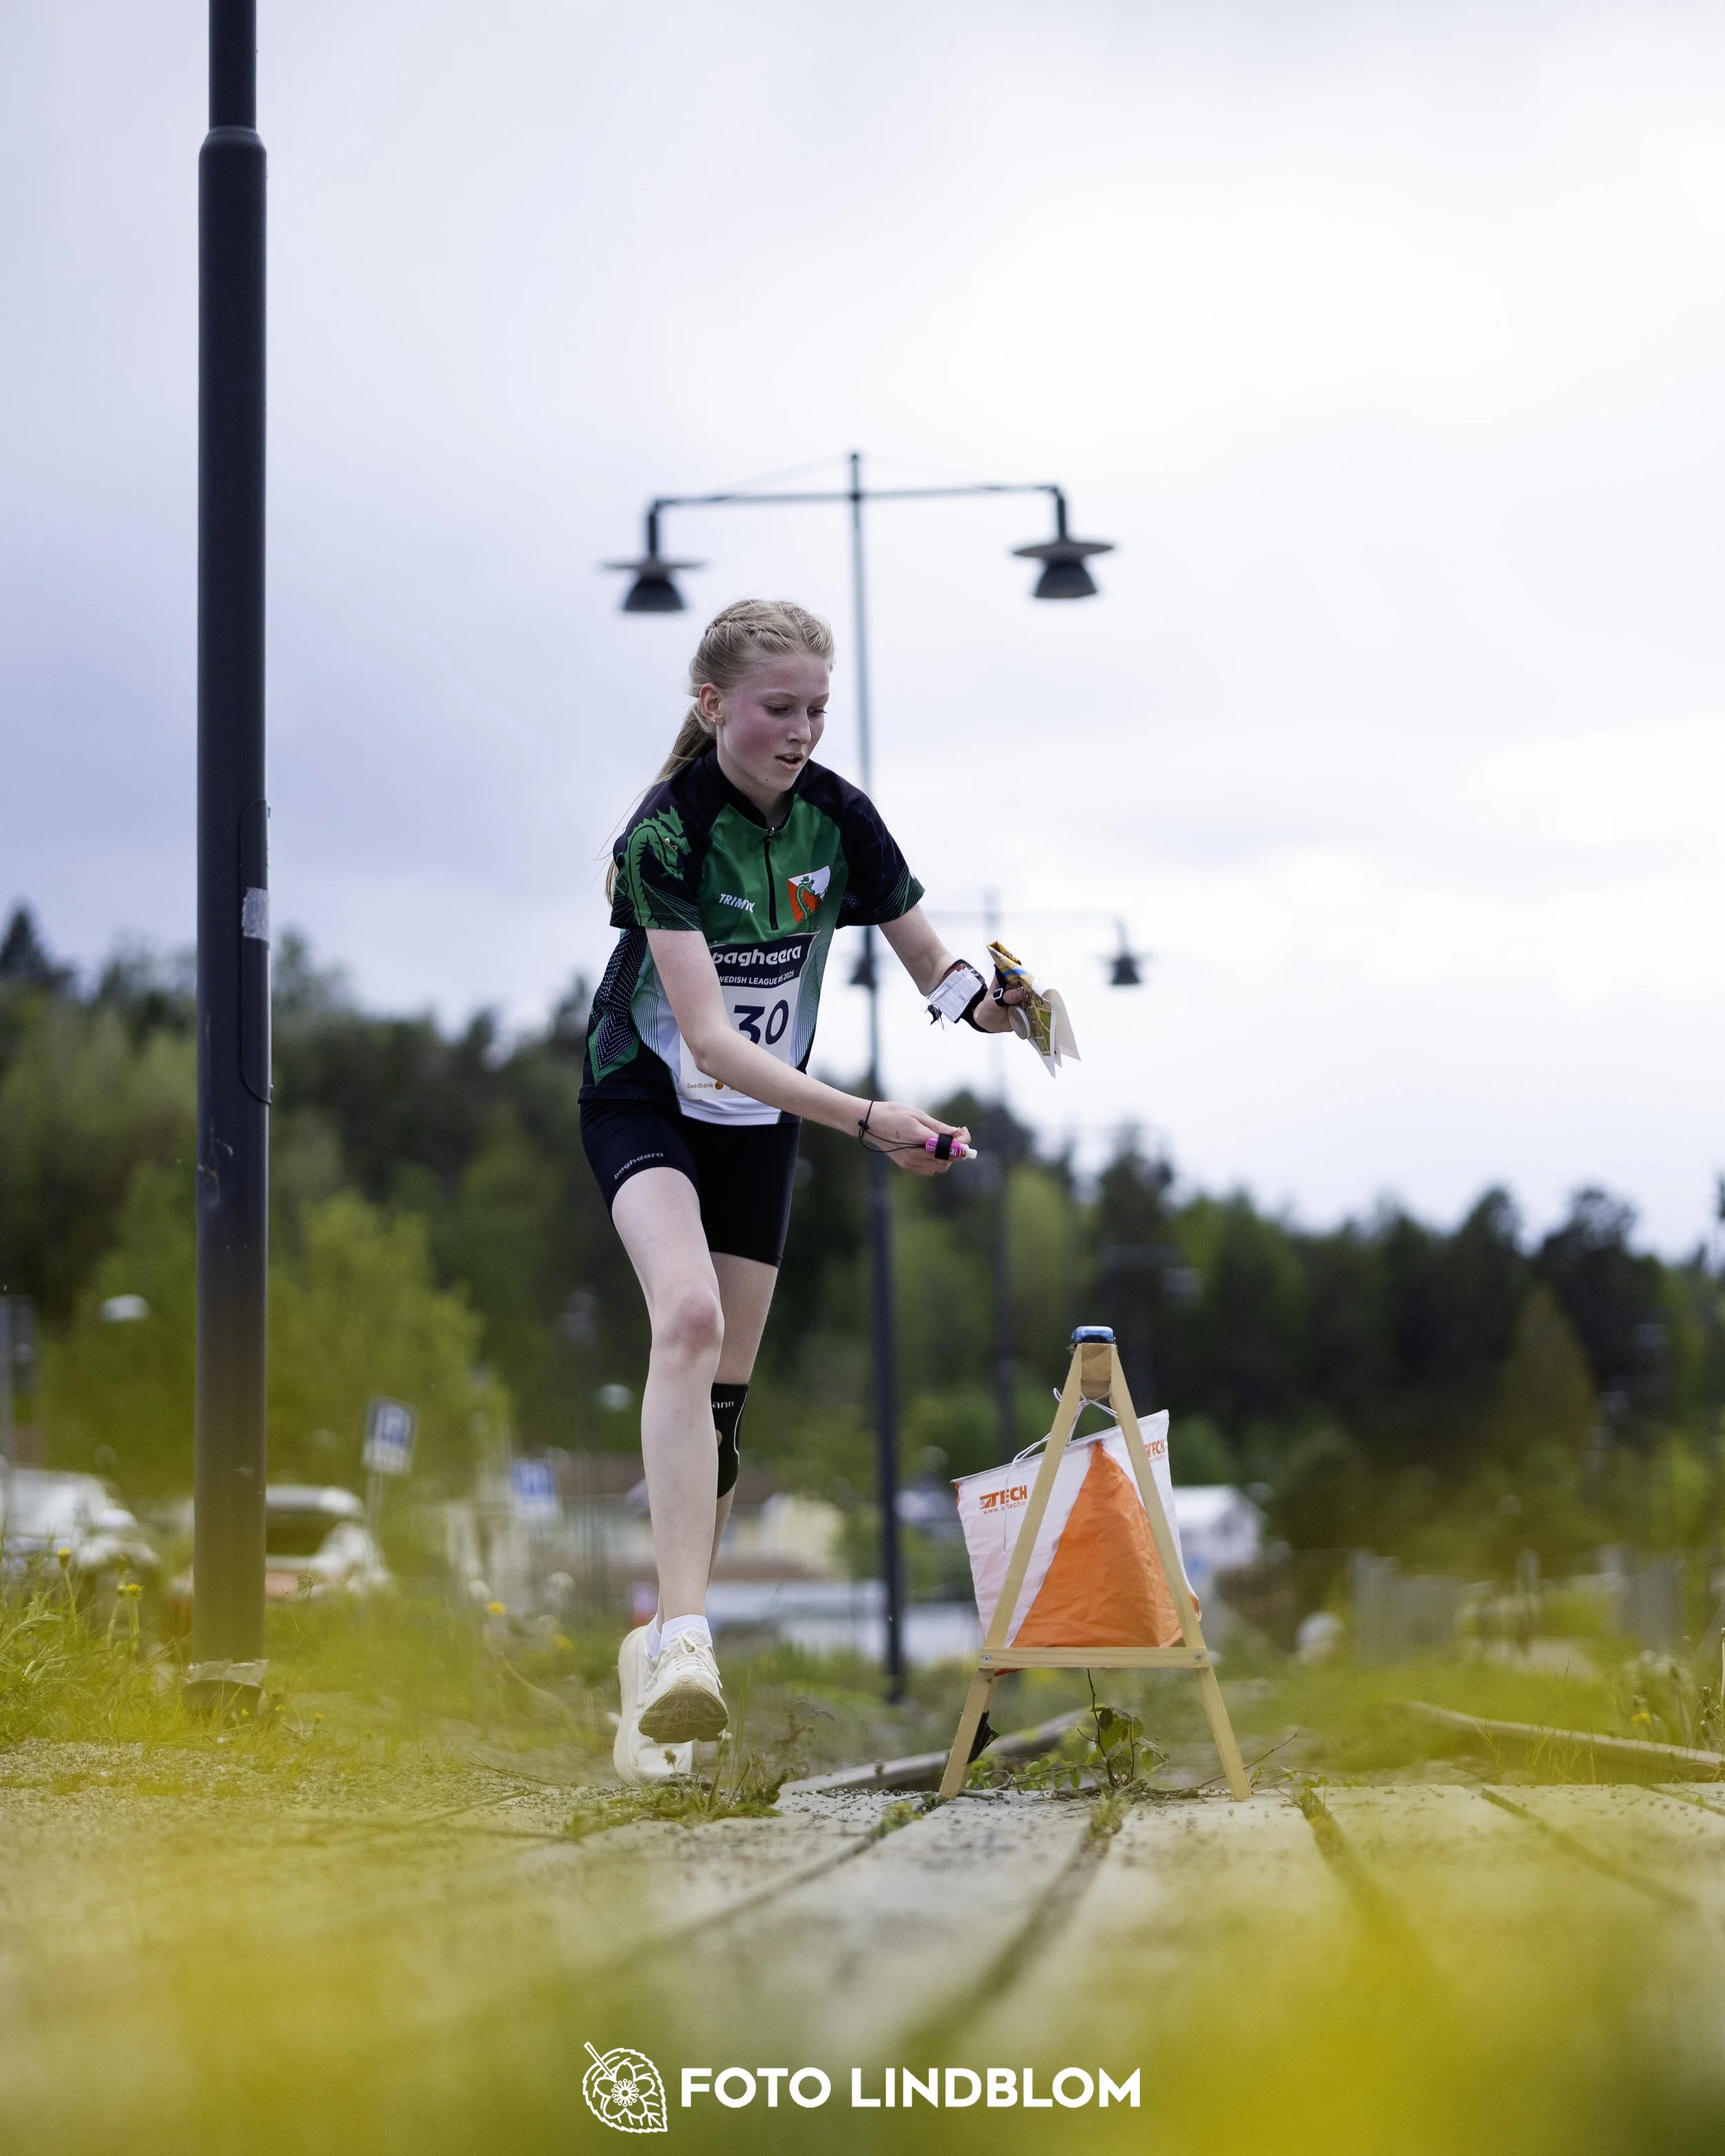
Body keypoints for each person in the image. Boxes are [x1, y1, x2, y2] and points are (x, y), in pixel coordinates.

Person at [582, 598, 1027, 1782]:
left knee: (723, 1414)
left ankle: (656, 1657)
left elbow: (931, 965)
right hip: (650, 1098)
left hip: (757, 1127)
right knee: (687, 1321)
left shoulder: (840, 817)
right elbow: (713, 1044)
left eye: (818, 710)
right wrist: (870, 1121)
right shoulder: (667, 834)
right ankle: (687, 1645)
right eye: (779, 709)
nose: (802, 731)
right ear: (712, 704)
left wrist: (993, 1003)